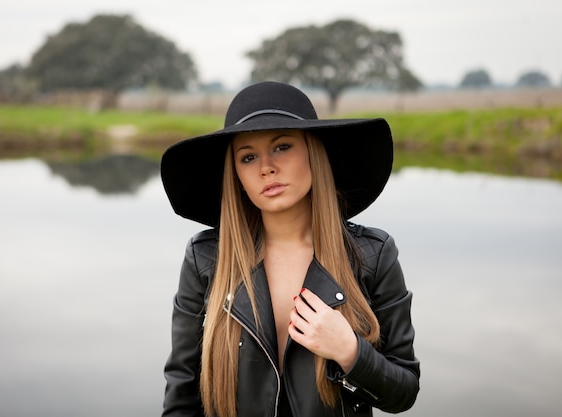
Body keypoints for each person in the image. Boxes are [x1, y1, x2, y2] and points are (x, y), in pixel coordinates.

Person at [160, 81, 419, 417]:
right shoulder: (206, 258)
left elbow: (404, 392)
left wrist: (350, 352)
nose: (266, 166)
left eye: (282, 147)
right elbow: (181, 396)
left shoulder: (372, 254)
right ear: (236, 174)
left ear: (314, 152)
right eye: (248, 156)